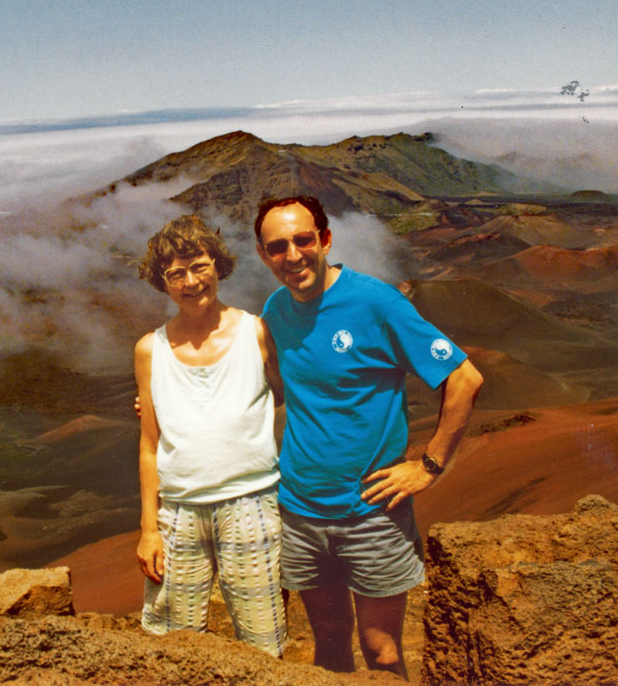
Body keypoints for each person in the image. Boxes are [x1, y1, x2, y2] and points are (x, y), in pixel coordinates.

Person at [253, 195, 483, 676]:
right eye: (278, 247)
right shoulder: (275, 310)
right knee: (330, 646)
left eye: (302, 240)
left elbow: (464, 378)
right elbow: (270, 387)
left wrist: (430, 465)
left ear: (326, 240)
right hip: (301, 513)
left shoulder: (375, 302)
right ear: (263, 254)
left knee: (382, 652)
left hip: (371, 514)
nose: (292, 256)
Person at [134, 214, 288, 657]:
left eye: (199, 266)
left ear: (218, 265)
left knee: (263, 643)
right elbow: (149, 445)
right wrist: (149, 529)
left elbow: (283, 395)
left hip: (252, 501)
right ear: (162, 283)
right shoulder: (151, 350)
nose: (191, 281)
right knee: (173, 645)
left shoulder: (257, 332)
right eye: (175, 273)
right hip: (178, 510)